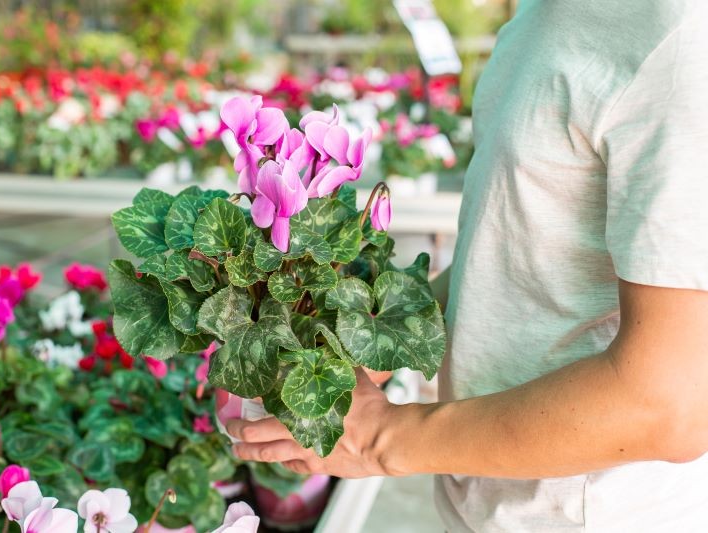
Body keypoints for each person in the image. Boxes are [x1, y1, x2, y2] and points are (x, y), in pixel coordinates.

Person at [227, 0, 708, 530]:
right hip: (486, 502)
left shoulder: (674, 39)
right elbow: (514, 249)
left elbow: (671, 401)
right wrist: (367, 347)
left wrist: (381, 439)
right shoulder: (544, 15)